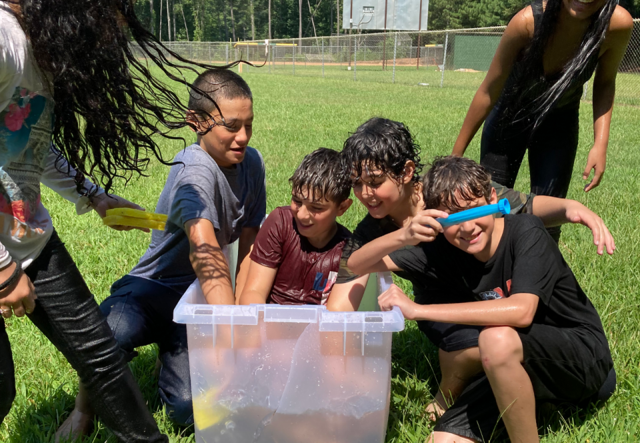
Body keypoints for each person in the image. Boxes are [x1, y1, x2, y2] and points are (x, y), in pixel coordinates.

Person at [1, 1, 236, 441]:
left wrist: (93, 196)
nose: (112, 42)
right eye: (106, 27)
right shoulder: (3, 39)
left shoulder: (42, 54)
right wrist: (1, 270)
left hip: (28, 239)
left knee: (100, 356)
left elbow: (24, 141)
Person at [332, 117, 616, 420]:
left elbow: (520, 206)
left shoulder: (449, 190)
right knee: (472, 346)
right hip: (444, 302)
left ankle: (481, 384)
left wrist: (572, 208)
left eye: (375, 182)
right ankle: (482, 382)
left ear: (407, 172)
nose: (364, 194)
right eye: (357, 184)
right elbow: (349, 277)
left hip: (487, 289)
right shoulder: (371, 231)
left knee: (498, 340)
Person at [60, 69, 266, 438]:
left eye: (249, 125)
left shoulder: (252, 163)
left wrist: (244, 305)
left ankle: (168, 355)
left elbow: (250, 240)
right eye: (232, 126)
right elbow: (204, 249)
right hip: (152, 289)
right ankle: (81, 412)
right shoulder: (194, 171)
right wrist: (229, 329)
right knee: (110, 334)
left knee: (190, 411)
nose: (243, 137)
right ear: (196, 122)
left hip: (196, 302)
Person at [451, 0, 633, 241]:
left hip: (559, 124)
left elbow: (605, 82)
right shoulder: (527, 23)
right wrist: (455, 157)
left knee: (549, 222)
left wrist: (600, 144)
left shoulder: (616, 25)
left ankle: (538, 276)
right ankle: (494, 276)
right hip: (507, 120)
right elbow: (488, 91)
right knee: (490, 210)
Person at [239, 147, 363, 309]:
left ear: (342, 207)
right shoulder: (280, 223)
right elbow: (253, 293)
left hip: (318, 331)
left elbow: (338, 320)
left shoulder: (349, 251)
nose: (302, 215)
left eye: (316, 208)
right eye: (297, 201)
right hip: (269, 324)